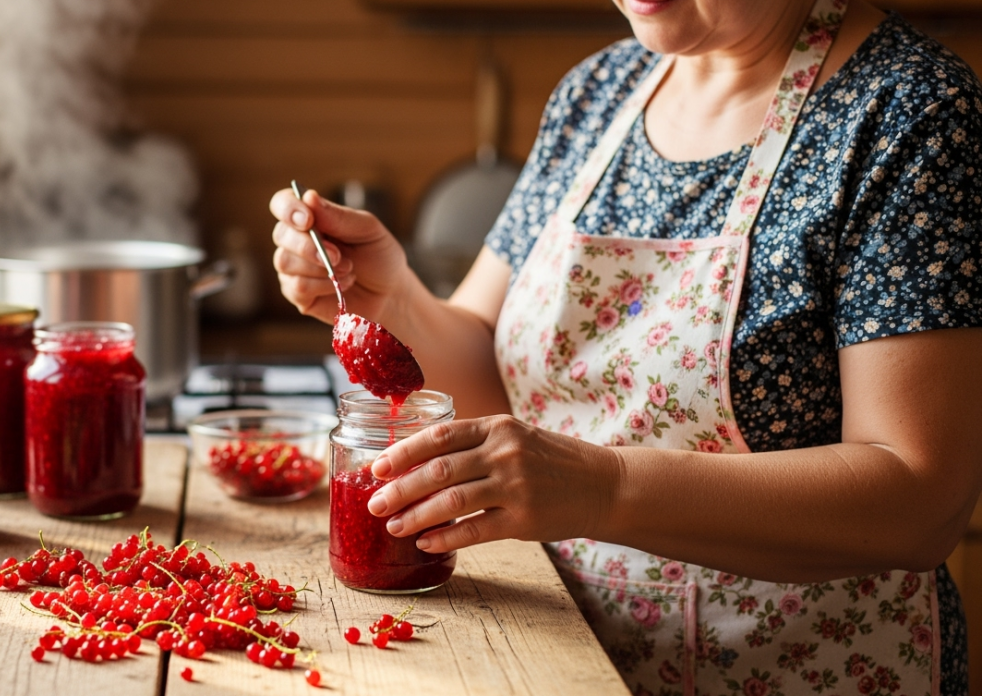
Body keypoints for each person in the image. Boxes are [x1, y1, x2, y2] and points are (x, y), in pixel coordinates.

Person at [269, 0, 982, 693]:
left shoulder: (913, 114)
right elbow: (496, 380)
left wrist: (602, 489)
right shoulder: (597, 92)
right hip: (561, 661)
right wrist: (390, 298)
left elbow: (919, 501)